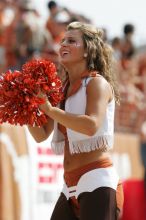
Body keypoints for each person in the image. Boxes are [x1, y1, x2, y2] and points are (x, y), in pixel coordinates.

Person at [28, 21, 124, 220]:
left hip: (97, 179)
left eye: (71, 41)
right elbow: (40, 135)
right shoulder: (60, 90)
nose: (63, 44)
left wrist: (49, 109)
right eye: (63, 40)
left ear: (88, 51)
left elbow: (91, 125)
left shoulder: (97, 83)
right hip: (68, 184)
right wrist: (26, 109)